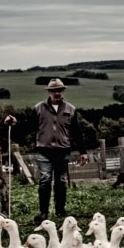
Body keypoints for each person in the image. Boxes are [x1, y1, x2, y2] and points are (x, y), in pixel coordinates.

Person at [33, 78, 88, 224]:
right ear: (49, 92)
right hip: (44, 150)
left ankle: (60, 210)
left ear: (63, 91)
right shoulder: (38, 108)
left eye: (59, 90)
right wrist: (13, 122)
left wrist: (83, 151)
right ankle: (43, 212)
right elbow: (28, 126)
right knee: (45, 180)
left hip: (62, 151)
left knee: (61, 181)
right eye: (53, 90)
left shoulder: (70, 109)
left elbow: (76, 132)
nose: (56, 93)